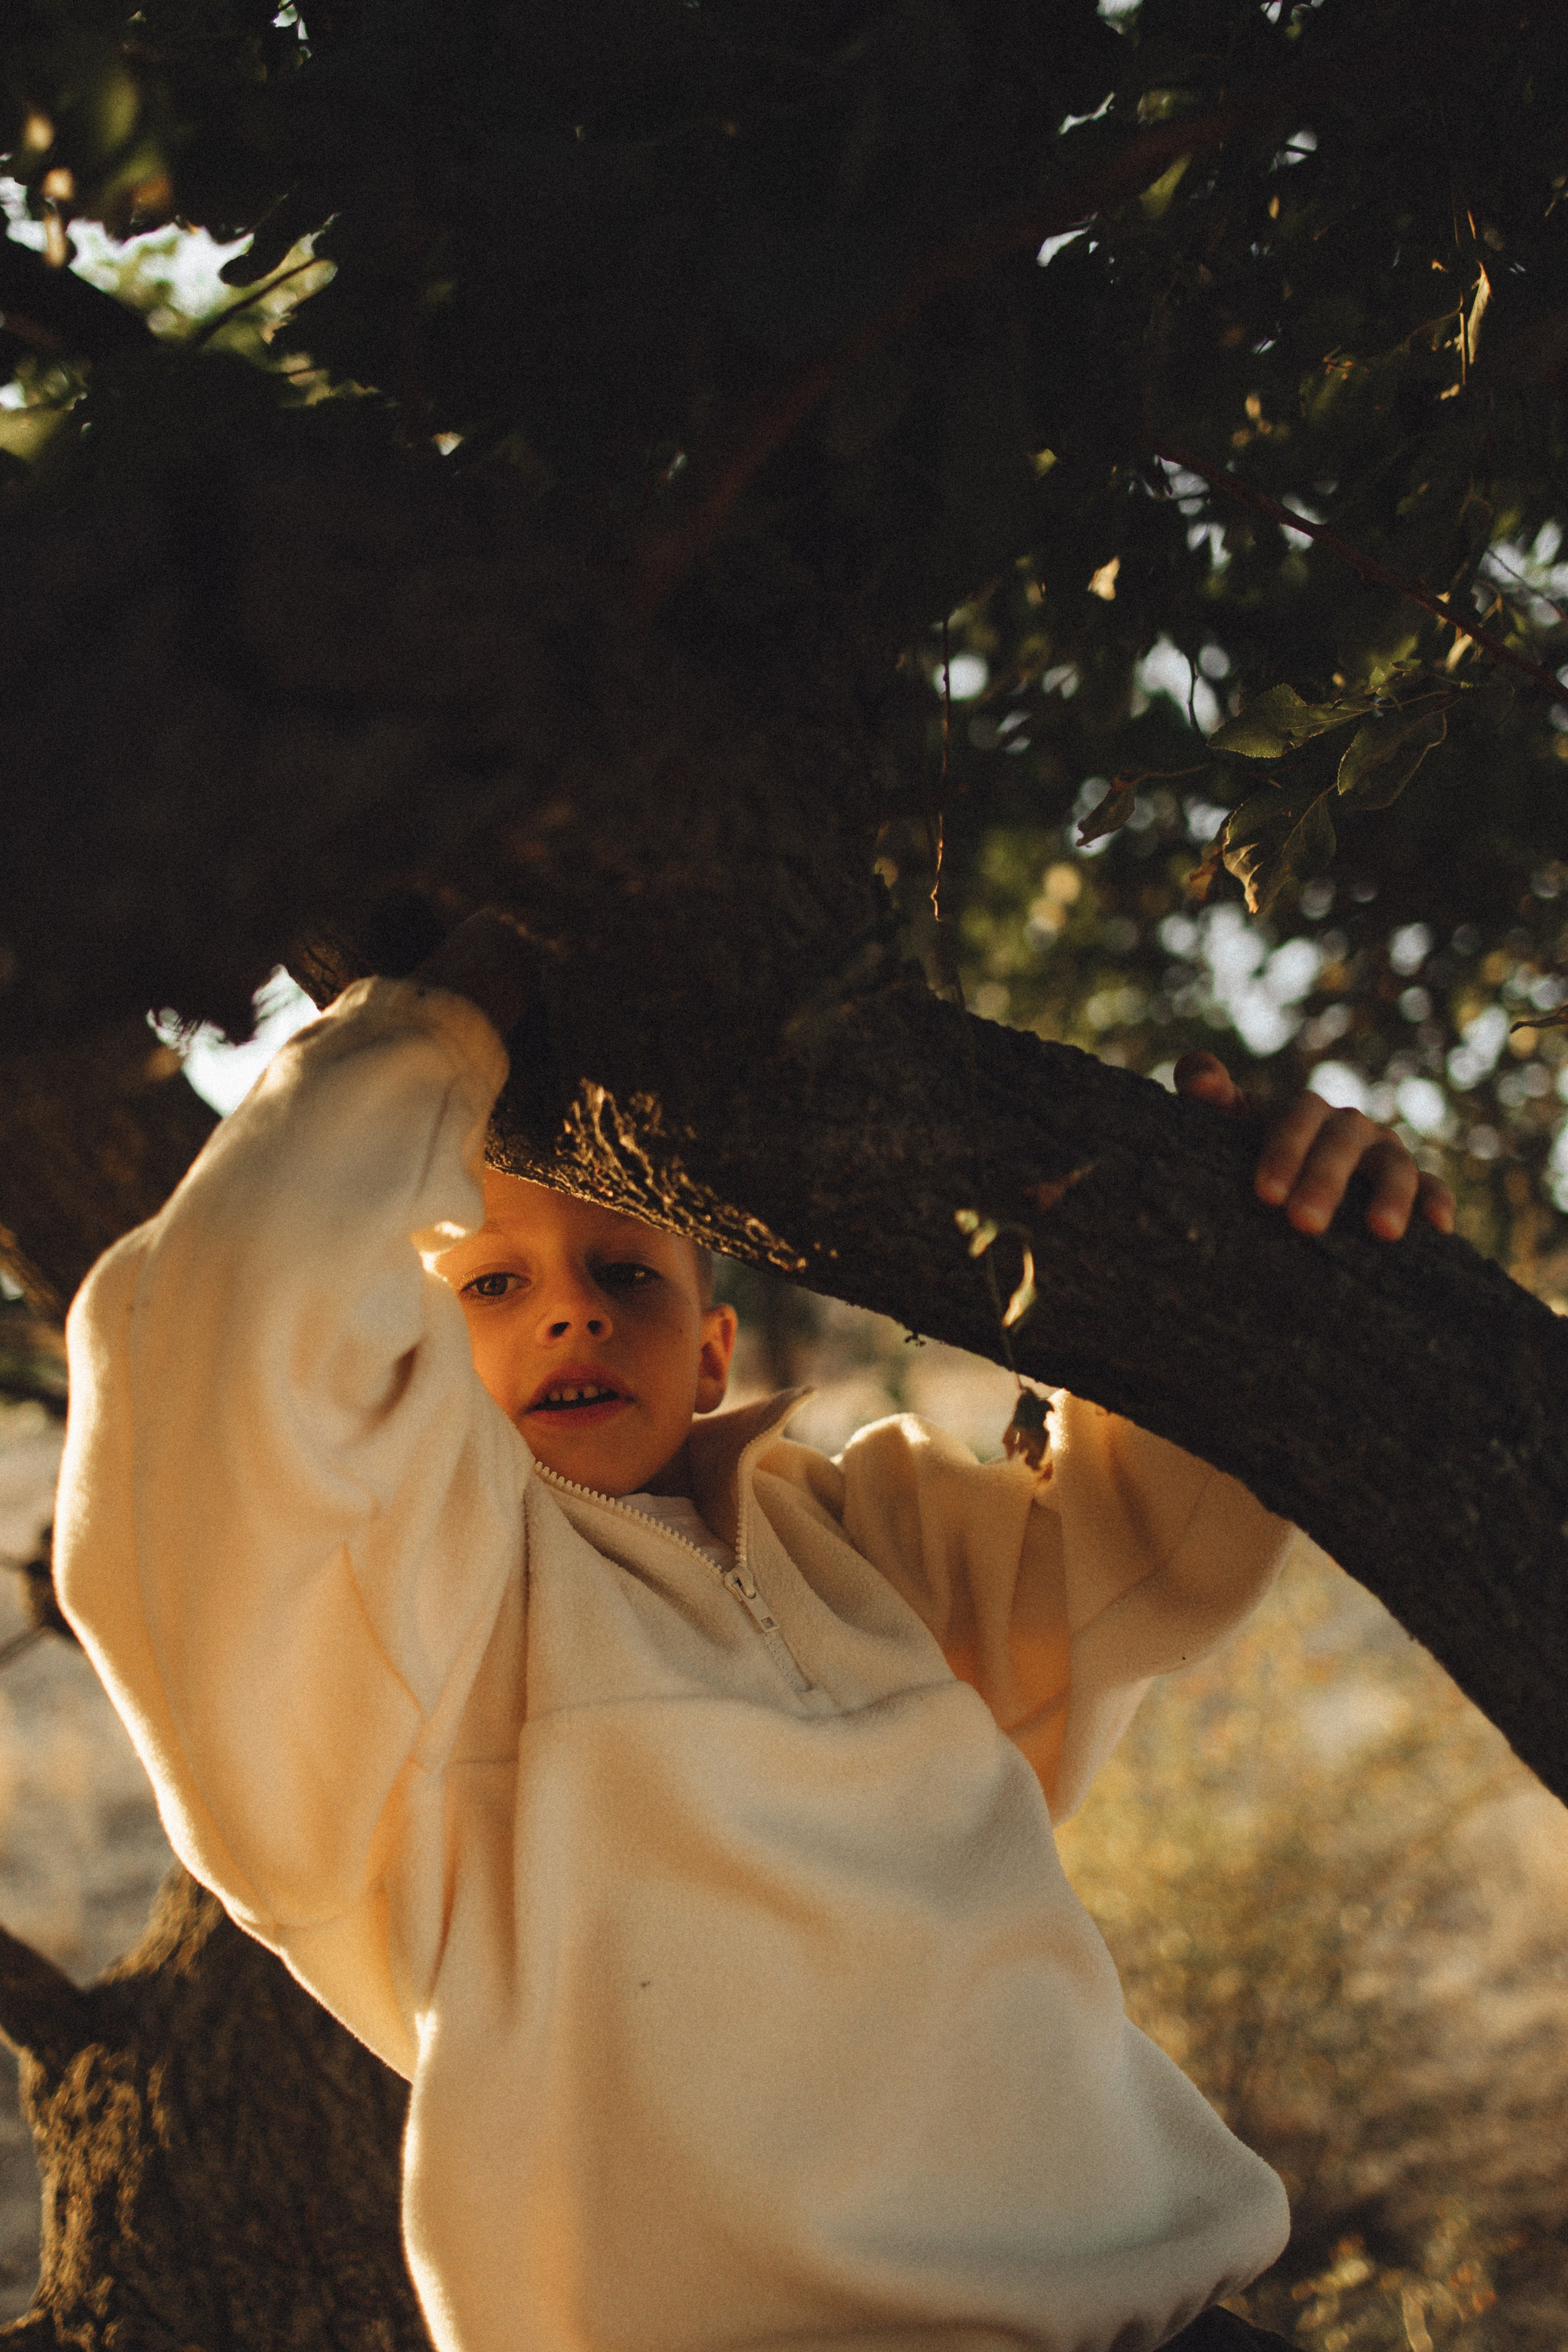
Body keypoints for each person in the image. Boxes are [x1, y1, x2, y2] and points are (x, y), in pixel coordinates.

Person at [54, 913, 1453, 2352]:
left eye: (625, 1274)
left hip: (1156, 2321)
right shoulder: (413, 1637)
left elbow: (1154, 1552)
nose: (570, 1317)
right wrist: (441, 1026)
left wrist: (1248, 1237)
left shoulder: (868, 1535)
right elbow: (215, 1342)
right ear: (413, 1343)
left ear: (713, 1351)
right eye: (490, 1282)